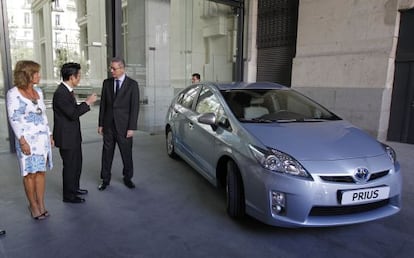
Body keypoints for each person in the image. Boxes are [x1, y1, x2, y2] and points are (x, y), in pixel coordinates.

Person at [6, 60, 53, 220]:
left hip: (42, 139)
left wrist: (50, 134)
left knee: (40, 172)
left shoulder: (38, 91)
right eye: (36, 73)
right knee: (29, 174)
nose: (39, 76)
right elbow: (14, 118)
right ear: (26, 74)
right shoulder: (13, 93)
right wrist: (22, 141)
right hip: (26, 140)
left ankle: (41, 204)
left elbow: (43, 115)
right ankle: (33, 206)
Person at [52, 62, 97, 203]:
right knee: (70, 166)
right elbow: (72, 114)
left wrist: (83, 104)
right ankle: (69, 195)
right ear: (72, 77)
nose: (80, 78)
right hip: (66, 138)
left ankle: (75, 188)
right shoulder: (61, 93)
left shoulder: (67, 91)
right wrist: (87, 103)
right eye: (79, 76)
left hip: (73, 136)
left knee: (77, 164)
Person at [97, 57, 139, 190]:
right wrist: (101, 124)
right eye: (110, 68)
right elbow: (103, 104)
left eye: (114, 69)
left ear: (122, 68)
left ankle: (128, 178)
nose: (111, 71)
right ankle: (105, 179)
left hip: (124, 126)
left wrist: (132, 127)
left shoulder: (132, 84)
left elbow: (135, 107)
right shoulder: (107, 83)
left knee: (126, 154)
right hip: (109, 125)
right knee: (106, 153)